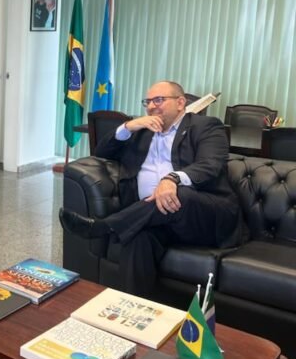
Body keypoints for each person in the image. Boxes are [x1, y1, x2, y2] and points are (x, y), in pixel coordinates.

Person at [61, 81, 242, 296]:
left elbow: (210, 164)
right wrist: (128, 127)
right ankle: (134, 307)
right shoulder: (142, 130)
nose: (151, 106)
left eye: (159, 100)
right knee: (137, 238)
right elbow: (101, 152)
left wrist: (172, 179)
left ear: (180, 103)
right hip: (155, 218)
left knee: (180, 194)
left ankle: (104, 227)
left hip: (202, 214)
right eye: (147, 102)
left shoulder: (206, 126)